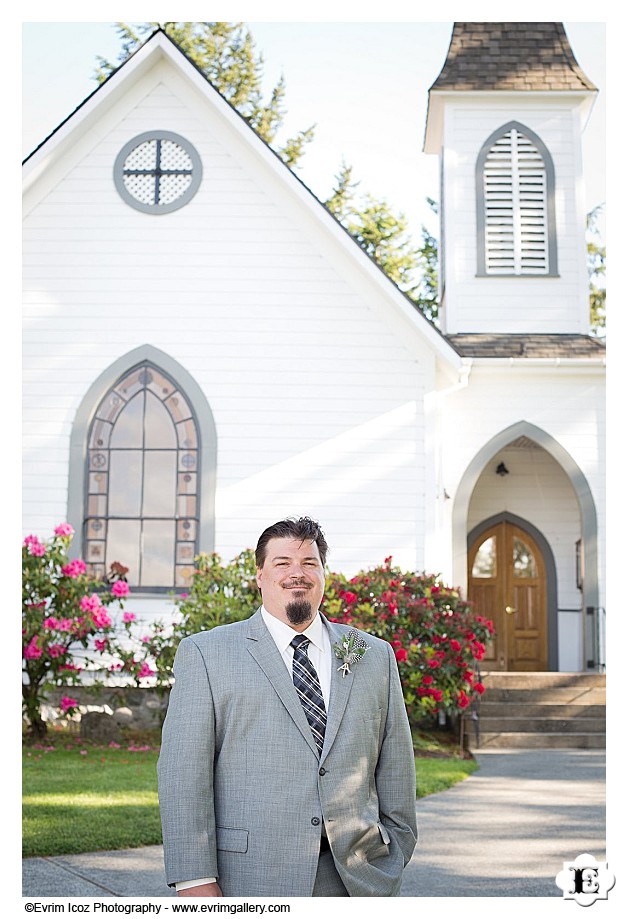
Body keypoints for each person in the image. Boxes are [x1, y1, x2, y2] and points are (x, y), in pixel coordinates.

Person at [157, 516, 418, 897]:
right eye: (283, 563)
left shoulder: (370, 653)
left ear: (324, 574)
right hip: (250, 879)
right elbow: (184, 774)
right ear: (260, 575)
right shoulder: (206, 654)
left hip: (359, 881)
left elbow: (396, 763)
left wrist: (396, 849)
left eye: (309, 563)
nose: (298, 573)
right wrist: (195, 880)